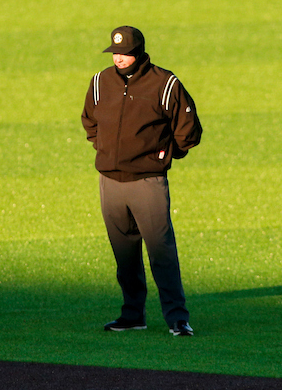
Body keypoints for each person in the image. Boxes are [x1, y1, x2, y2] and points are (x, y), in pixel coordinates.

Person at [82, 26, 203, 337]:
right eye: (115, 52)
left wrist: (164, 155)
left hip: (148, 182)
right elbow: (89, 121)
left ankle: (177, 318)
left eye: (125, 52)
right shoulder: (100, 82)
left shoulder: (165, 82)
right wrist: (105, 149)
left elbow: (189, 130)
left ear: (139, 52)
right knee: (125, 257)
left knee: (161, 252)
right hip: (110, 181)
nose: (119, 58)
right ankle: (133, 314)